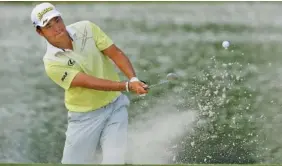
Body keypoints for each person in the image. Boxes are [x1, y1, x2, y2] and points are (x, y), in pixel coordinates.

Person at [30, 2, 148, 164]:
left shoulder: (86, 28)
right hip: (84, 118)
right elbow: (90, 83)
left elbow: (115, 53)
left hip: (115, 106)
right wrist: (127, 85)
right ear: (40, 32)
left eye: (57, 20)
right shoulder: (51, 62)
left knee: (114, 161)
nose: (56, 27)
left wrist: (133, 79)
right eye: (48, 26)